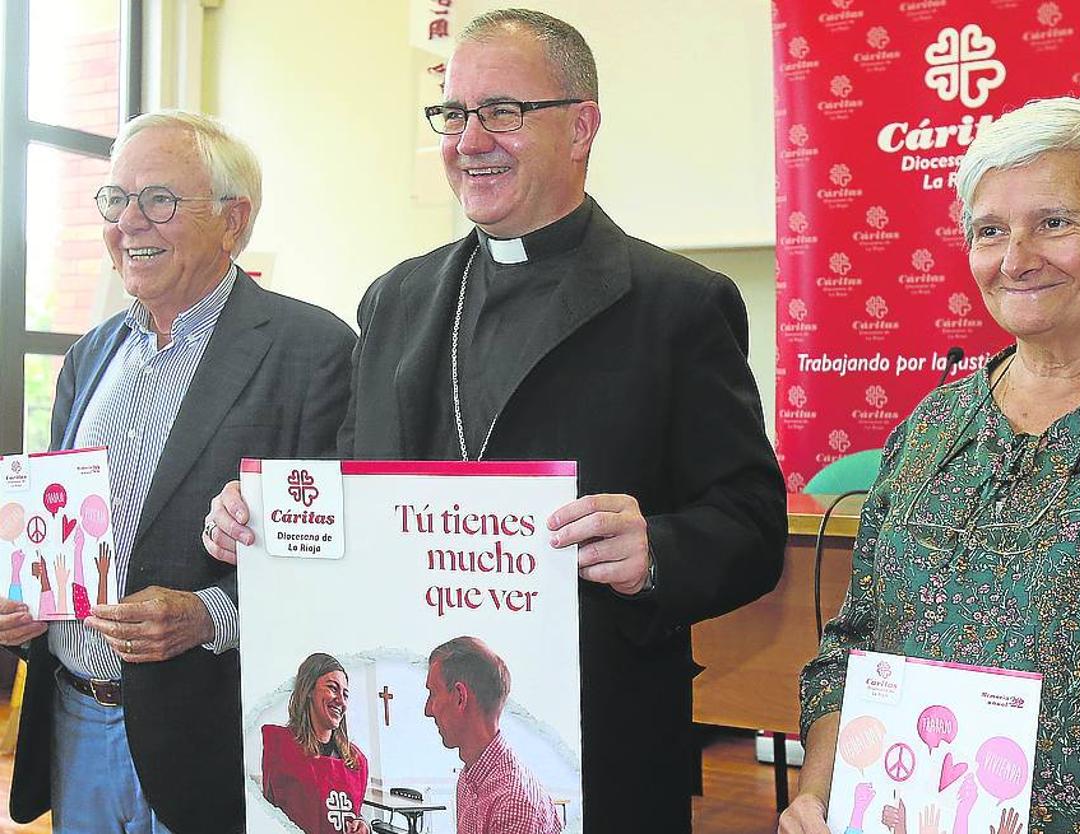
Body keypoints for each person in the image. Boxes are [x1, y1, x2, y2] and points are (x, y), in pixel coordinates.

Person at [205, 9, 786, 830]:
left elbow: (754, 526)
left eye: (503, 112)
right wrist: (258, 518)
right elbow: (345, 489)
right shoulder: (395, 300)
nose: (469, 139)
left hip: (595, 745)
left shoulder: (678, 306)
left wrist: (659, 548)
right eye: (453, 113)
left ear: (581, 126)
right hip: (410, 737)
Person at [778, 97, 1080, 834]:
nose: (1015, 259)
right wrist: (818, 791)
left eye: (1054, 223)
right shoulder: (932, 426)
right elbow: (854, 643)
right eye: (990, 231)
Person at [0, 110, 355, 834]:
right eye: (115, 200)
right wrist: (27, 596)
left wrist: (211, 615)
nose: (130, 222)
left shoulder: (314, 350)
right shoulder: (90, 356)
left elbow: (342, 553)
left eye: (158, 200)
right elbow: (63, 532)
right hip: (74, 719)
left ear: (233, 221)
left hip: (210, 739)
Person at [424, 637, 561, 834]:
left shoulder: (514, 801)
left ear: (460, 697)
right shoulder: (469, 778)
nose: (428, 710)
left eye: (433, 694)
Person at [262, 653, 370, 834]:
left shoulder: (356, 761)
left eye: (345, 694)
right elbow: (269, 815)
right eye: (332, 688)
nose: (341, 701)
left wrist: (362, 824)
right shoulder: (281, 747)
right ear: (309, 690)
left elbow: (355, 813)